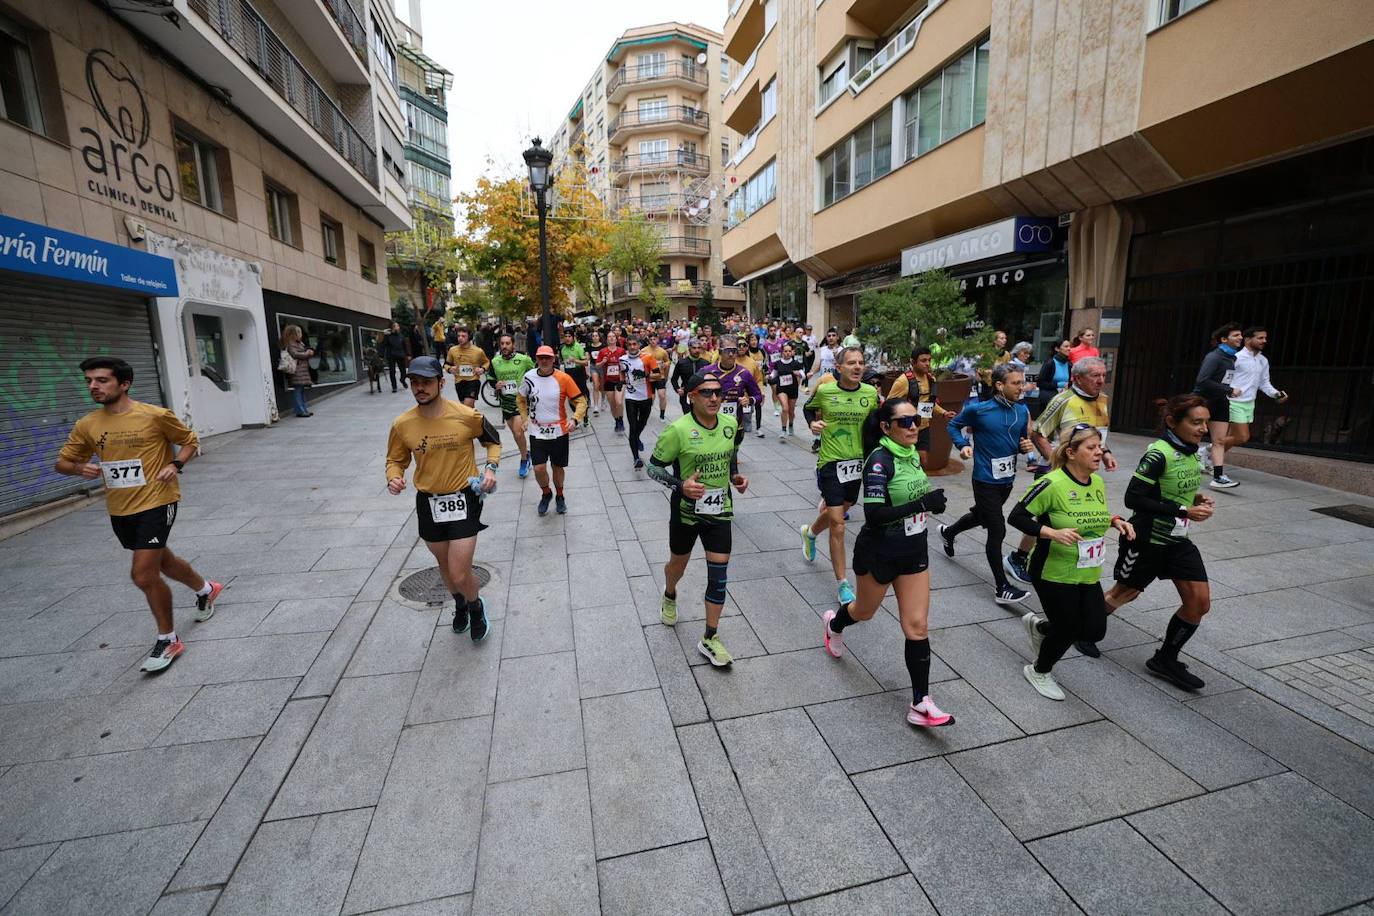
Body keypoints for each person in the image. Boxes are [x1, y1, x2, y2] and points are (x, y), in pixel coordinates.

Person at [54, 357, 222, 673]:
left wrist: (175, 465)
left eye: (102, 380)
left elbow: (189, 441)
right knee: (164, 562)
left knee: (143, 574)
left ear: (124, 384)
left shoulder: (154, 415)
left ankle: (168, 639)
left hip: (158, 501)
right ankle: (206, 590)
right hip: (120, 508)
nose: (93, 386)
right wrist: (79, 468)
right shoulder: (88, 424)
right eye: (89, 381)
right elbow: (61, 463)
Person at [820, 397, 954, 726]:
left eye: (916, 420)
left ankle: (920, 702)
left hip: (913, 550)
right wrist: (922, 502)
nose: (913, 426)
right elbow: (875, 514)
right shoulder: (879, 461)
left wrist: (927, 503)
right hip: (879, 551)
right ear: (885, 427)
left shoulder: (911, 455)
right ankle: (834, 625)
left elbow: (911, 497)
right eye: (904, 422)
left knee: (917, 626)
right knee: (863, 612)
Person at [1009, 424, 1135, 701]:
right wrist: (1051, 532)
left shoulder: (1097, 483)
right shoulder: (1051, 483)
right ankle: (1039, 670)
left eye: (1099, 447)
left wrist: (1115, 521)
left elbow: (1093, 516)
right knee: (1068, 627)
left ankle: (1041, 628)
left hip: (1086, 570)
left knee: (1093, 629)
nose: (1098, 452)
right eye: (1091, 448)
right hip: (1051, 569)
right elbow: (1016, 517)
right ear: (1071, 452)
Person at [1101, 394, 1217, 689]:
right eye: (1195, 422)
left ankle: (1165, 659)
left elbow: (1171, 491)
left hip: (1178, 541)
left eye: (1205, 421)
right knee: (1123, 594)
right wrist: (1183, 509)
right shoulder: (1158, 454)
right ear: (1171, 422)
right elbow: (1134, 498)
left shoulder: (1191, 451)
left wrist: (1195, 498)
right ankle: (1075, 631)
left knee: (1199, 603)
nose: (1203, 428)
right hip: (1147, 539)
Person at [386, 356, 501, 641]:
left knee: (460, 571)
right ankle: (460, 605)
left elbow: (492, 440)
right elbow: (395, 459)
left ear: (441, 382)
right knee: (444, 566)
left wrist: (491, 467)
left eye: (426, 382)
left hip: (463, 498)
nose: (420, 388)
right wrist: (394, 476)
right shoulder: (403, 424)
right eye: (415, 383)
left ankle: (475, 607)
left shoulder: (466, 415)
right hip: (428, 503)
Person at [647, 370, 749, 667]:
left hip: (719, 512)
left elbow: (731, 455)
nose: (715, 397)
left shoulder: (730, 424)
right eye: (706, 392)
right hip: (686, 513)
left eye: (718, 392)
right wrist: (681, 486)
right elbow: (653, 468)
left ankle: (710, 637)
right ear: (691, 397)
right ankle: (669, 592)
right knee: (677, 566)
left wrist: (735, 477)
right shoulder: (677, 430)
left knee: (719, 576)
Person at [1005, 356, 1116, 599]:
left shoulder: (1103, 400)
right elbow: (1038, 432)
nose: (1101, 381)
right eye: (1094, 376)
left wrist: (1105, 453)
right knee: (1044, 519)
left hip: (1083, 471)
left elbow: (1097, 436)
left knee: (1069, 517)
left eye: (1103, 376)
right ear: (1077, 378)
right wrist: (1058, 465)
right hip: (1058, 473)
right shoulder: (1063, 399)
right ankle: (1021, 559)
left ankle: (1033, 559)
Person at [941, 364, 1035, 604]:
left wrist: (1024, 447)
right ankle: (1002, 587)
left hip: (1007, 480)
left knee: (981, 517)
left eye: (1022, 382)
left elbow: (1015, 443)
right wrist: (963, 445)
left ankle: (948, 532)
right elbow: (953, 425)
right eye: (1015, 383)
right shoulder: (979, 410)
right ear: (1000, 385)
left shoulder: (1022, 412)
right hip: (984, 479)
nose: (1020, 387)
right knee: (997, 529)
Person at [800, 346, 878, 605]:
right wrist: (812, 423)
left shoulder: (870, 393)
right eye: (852, 363)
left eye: (861, 363)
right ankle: (843, 583)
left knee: (846, 506)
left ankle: (810, 533)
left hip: (857, 463)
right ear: (839, 367)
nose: (857, 367)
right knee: (838, 523)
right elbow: (808, 408)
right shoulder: (825, 390)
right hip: (831, 462)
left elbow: (877, 425)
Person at [519, 345, 588, 516]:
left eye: (547, 358)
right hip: (537, 430)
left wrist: (575, 419)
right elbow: (520, 399)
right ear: (536, 359)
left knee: (557, 468)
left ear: (553, 359)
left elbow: (581, 402)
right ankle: (546, 493)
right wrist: (524, 418)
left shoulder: (564, 378)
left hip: (559, 431)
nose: (544, 360)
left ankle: (560, 495)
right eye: (541, 357)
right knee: (538, 468)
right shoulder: (528, 377)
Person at [1193, 323, 1244, 488]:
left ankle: (1219, 477)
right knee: (1192, 437)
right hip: (1203, 402)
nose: (1240, 338)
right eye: (1236, 335)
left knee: (1219, 441)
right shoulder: (1214, 356)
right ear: (1223, 339)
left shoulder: (1232, 357)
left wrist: (1227, 392)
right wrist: (1229, 389)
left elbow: (1222, 380)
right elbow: (1202, 381)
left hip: (1221, 402)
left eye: (1240, 335)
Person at [1225, 326, 1289, 454]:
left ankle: (1210, 458)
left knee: (1231, 437)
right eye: (1260, 338)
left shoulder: (1263, 360)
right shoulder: (1236, 358)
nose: (1264, 340)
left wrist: (1276, 394)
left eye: (1265, 338)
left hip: (1249, 404)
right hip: (1234, 402)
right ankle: (1206, 451)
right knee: (1243, 437)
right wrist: (1229, 390)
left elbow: (1264, 383)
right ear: (1247, 340)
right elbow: (1225, 379)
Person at [886, 347, 953, 465]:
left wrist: (943, 413)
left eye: (929, 360)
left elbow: (929, 403)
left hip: (923, 428)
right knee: (906, 461)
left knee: (923, 460)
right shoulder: (903, 381)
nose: (927, 364)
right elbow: (889, 405)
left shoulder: (930, 379)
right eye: (923, 360)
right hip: (907, 426)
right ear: (913, 362)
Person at [703, 336, 763, 449]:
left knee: (732, 458)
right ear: (720, 351)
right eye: (727, 350)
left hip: (735, 424)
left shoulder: (744, 373)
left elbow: (758, 395)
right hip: (711, 423)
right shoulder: (707, 371)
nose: (731, 354)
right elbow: (693, 393)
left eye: (734, 351)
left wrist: (749, 400)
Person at [490, 334, 536, 479]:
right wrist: (495, 385)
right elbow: (491, 378)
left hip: (520, 402)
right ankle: (526, 453)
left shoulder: (523, 359)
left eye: (507, 343)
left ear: (513, 345)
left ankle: (524, 459)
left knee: (518, 432)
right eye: (502, 343)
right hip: (505, 403)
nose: (504, 346)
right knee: (516, 434)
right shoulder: (495, 361)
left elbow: (535, 371)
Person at [620, 336, 660, 469]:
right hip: (630, 397)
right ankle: (636, 458)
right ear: (627, 346)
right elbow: (622, 372)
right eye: (629, 344)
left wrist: (646, 375)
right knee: (632, 426)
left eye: (634, 344)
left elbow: (658, 375)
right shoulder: (622, 359)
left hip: (646, 396)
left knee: (642, 423)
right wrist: (621, 382)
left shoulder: (648, 357)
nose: (632, 347)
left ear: (638, 345)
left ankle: (636, 437)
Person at [445, 326, 490, 407]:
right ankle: (477, 418)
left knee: (467, 407)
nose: (460, 338)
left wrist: (482, 369)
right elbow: (446, 364)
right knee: (467, 409)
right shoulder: (452, 350)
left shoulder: (478, 351)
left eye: (463, 336)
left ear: (469, 336)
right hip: (459, 382)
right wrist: (449, 369)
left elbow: (486, 362)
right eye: (458, 336)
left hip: (473, 381)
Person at [767, 341, 805, 438]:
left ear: (792, 352)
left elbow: (803, 375)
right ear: (782, 352)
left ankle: (791, 425)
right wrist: (769, 377)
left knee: (791, 411)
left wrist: (798, 374)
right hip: (781, 389)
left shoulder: (796, 363)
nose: (787, 353)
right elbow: (774, 374)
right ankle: (783, 430)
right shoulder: (778, 363)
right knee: (785, 408)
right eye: (785, 351)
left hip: (792, 389)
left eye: (789, 351)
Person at [280, 324, 315, 417]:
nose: (300, 334)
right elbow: (295, 354)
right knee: (298, 390)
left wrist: (309, 351)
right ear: (292, 333)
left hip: (302, 370)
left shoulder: (299, 343)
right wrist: (307, 353)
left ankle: (304, 409)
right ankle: (300, 411)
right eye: (298, 332)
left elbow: (302, 352)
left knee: (301, 390)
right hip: (297, 371)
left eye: (300, 332)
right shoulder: (291, 343)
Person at [597, 334, 628, 433]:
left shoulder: (621, 351)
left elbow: (626, 365)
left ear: (616, 339)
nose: (611, 338)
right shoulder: (602, 351)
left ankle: (621, 420)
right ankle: (617, 420)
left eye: (613, 336)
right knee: (612, 405)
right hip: (608, 381)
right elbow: (597, 365)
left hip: (620, 380)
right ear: (606, 339)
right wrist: (603, 362)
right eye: (609, 336)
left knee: (619, 402)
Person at [671, 339, 711, 414]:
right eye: (694, 348)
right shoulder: (682, 363)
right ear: (689, 349)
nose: (697, 350)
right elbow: (674, 379)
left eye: (699, 348)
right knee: (689, 417)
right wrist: (677, 389)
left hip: (702, 395)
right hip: (686, 395)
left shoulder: (706, 364)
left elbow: (710, 379)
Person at [560, 327, 591, 406]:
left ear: (573, 337)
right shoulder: (562, 348)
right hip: (568, 374)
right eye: (565, 336)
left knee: (582, 393)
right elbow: (562, 362)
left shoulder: (578, 347)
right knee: (571, 396)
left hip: (579, 373)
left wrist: (575, 360)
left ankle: (585, 412)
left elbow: (585, 363)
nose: (567, 338)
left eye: (569, 336)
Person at [643, 335, 671, 420]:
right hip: (649, 377)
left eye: (654, 339)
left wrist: (664, 365)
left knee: (662, 395)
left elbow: (668, 361)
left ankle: (662, 414)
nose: (652, 341)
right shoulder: (644, 351)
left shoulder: (662, 351)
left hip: (660, 376)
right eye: (651, 339)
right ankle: (646, 412)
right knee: (651, 398)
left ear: (657, 340)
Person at [382, 322, 408, 393]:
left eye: (398, 326)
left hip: (400, 355)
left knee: (403, 371)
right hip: (391, 356)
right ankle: (394, 387)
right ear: (393, 328)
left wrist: (407, 354)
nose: (398, 327)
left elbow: (404, 346)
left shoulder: (401, 336)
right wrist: (381, 356)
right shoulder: (388, 336)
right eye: (396, 326)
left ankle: (402, 380)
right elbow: (383, 345)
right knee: (392, 371)